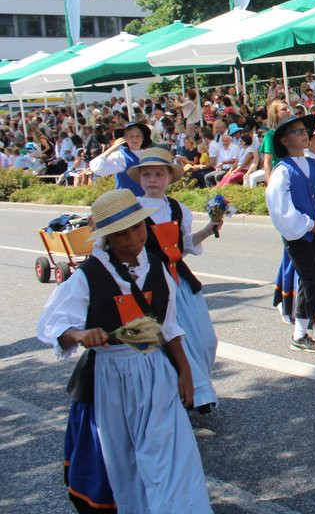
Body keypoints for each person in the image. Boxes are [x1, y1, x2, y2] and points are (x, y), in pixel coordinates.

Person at [36, 189, 212, 514]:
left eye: (137, 227)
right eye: (120, 232)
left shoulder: (157, 268)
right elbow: (54, 326)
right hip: (112, 378)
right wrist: (80, 333)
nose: (132, 238)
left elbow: (169, 327)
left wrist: (186, 372)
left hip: (157, 371)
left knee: (173, 457)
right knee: (123, 460)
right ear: (106, 237)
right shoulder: (87, 277)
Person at [129, 148, 221, 413]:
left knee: (205, 339)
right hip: (152, 284)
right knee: (175, 340)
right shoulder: (132, 208)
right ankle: (198, 395)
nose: (152, 179)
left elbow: (186, 245)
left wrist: (209, 229)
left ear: (169, 178)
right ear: (140, 179)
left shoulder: (178, 209)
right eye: (147, 175)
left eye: (159, 174)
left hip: (180, 280)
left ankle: (197, 388)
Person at [266, 114, 315, 353]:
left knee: (309, 282)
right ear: (284, 141)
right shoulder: (283, 170)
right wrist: (310, 224)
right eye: (298, 132)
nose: (304, 135)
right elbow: (280, 208)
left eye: (304, 131)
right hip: (298, 234)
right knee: (314, 283)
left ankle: (300, 334)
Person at [87, 121, 152, 195]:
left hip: (147, 202)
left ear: (143, 137)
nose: (135, 139)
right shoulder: (120, 156)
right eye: (131, 136)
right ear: (125, 139)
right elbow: (96, 167)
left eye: (138, 136)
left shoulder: (148, 155)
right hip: (127, 202)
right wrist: (113, 148)